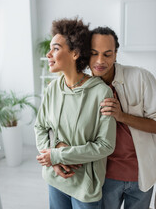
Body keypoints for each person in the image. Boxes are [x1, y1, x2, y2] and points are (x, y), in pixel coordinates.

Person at [34, 18, 116, 209]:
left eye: (55, 48)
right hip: (55, 178)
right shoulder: (53, 88)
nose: (48, 54)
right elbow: (40, 126)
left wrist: (58, 155)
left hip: (85, 187)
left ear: (75, 53)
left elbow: (105, 145)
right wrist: (53, 158)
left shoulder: (100, 92)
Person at [89, 26, 156, 209]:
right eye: (94, 53)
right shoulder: (83, 88)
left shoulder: (141, 77)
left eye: (107, 54)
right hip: (104, 177)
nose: (100, 61)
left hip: (141, 175)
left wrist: (122, 116)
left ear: (116, 54)